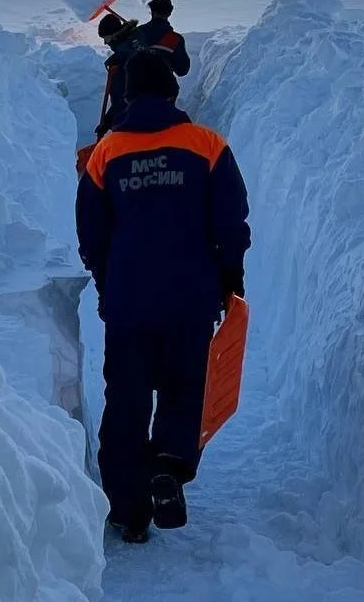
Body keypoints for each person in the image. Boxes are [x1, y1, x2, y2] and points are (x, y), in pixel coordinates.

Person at [76, 50, 251, 543]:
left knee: (127, 397)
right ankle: (169, 469)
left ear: (128, 95)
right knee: (182, 385)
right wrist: (229, 277)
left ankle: (127, 510)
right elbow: (231, 221)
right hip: (191, 296)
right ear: (172, 92)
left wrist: (108, 280)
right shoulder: (207, 144)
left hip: (130, 299)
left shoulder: (105, 153)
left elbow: (91, 233)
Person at [95, 12, 144, 136]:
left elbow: (127, 98)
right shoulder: (134, 45)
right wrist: (109, 120)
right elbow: (121, 99)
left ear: (114, 34)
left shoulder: (125, 57)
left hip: (135, 124)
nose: (105, 43)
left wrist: (112, 121)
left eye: (106, 37)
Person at [136, 0, 191, 78]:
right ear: (169, 13)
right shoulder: (175, 39)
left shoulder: (137, 33)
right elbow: (182, 70)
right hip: (162, 87)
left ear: (152, 11)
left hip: (134, 86)